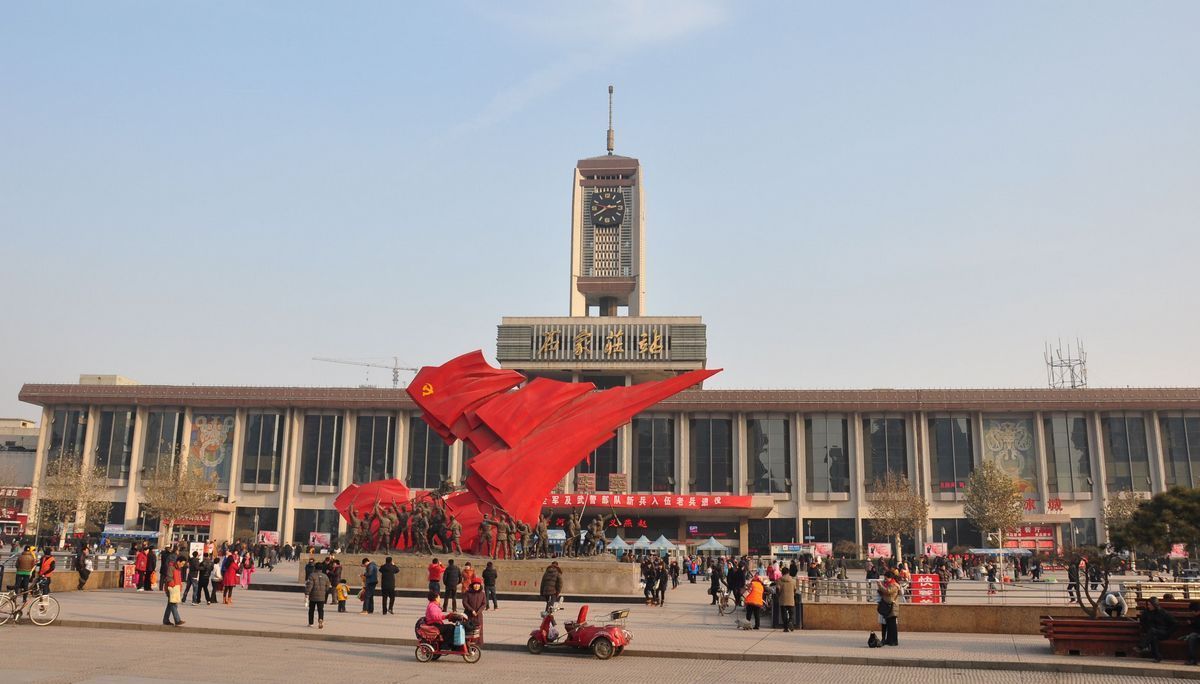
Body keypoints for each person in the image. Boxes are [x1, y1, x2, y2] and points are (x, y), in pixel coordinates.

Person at [1139, 596, 1177, 662]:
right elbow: (1142, 622)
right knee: (1153, 637)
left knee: (1152, 631)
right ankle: (1157, 657)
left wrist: (1169, 632)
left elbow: (1175, 623)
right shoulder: (1147, 612)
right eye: (1148, 605)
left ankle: (1142, 646)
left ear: (1155, 605)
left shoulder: (1163, 613)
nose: (1148, 606)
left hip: (1163, 632)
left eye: (1150, 605)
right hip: (1152, 633)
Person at [878, 570, 901, 646]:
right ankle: (889, 640)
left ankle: (894, 641)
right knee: (889, 624)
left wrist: (880, 586)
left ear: (890, 577)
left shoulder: (894, 584)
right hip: (888, 606)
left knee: (892, 625)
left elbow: (888, 591)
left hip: (892, 607)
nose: (885, 579)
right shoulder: (889, 583)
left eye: (886, 578)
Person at [304, 562, 330, 629]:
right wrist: (324, 592)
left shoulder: (312, 575)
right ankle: (320, 619)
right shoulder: (325, 576)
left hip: (313, 596)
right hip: (322, 596)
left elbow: (309, 585)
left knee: (311, 610)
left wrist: (307, 593)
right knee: (321, 610)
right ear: (322, 568)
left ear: (315, 568)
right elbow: (328, 586)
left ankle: (311, 623)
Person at [162, 557, 185, 627]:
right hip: (171, 589)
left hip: (176, 589)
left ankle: (165, 620)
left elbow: (179, 579)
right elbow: (169, 578)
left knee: (170, 605)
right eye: (182, 563)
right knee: (173, 604)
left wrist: (180, 587)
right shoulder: (171, 568)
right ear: (178, 562)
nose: (183, 565)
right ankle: (177, 620)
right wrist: (174, 586)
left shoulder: (178, 569)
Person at [776, 567, 797, 632]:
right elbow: (795, 590)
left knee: (784, 614)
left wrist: (778, 595)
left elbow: (777, 589)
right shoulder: (793, 580)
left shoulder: (779, 580)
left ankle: (785, 628)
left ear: (782, 572)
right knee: (791, 613)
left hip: (782, 599)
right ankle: (790, 621)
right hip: (791, 599)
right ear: (788, 572)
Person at [1182, 601, 1200, 666]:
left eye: (1192, 611)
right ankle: (1193, 659)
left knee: (1192, 637)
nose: (1192, 613)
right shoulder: (1196, 617)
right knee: (1192, 638)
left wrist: (1191, 624)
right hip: (1197, 634)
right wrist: (1191, 624)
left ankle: (1193, 659)